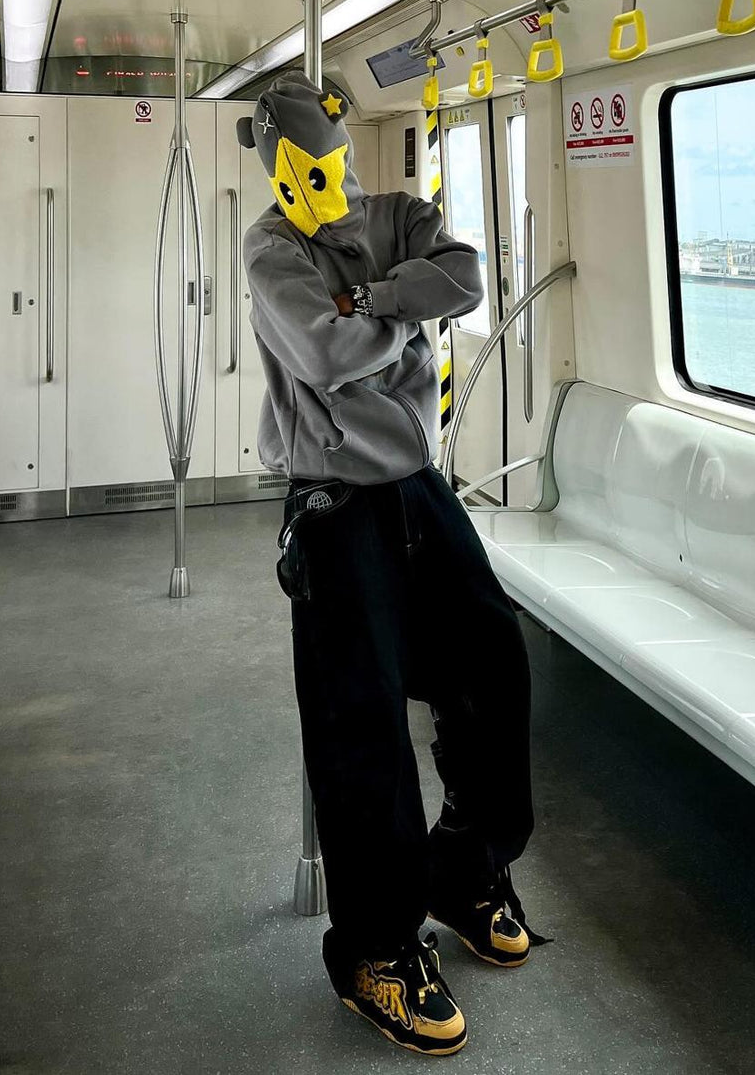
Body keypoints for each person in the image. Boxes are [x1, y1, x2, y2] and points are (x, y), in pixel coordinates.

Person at [237, 71, 544, 1058]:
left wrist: (371, 298)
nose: (326, 174)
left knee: (490, 660)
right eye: (306, 160)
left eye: (332, 154)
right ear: (278, 158)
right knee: (358, 715)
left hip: (417, 481)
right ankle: (374, 946)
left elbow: (464, 278)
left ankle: (464, 859)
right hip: (333, 497)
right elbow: (326, 356)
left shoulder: (399, 212)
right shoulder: (270, 248)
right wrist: (397, 318)